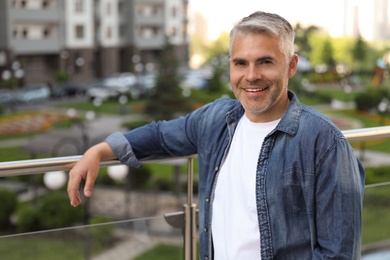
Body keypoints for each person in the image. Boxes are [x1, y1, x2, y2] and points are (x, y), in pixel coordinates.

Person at [67, 11, 365, 259]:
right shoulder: (216, 119)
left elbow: (338, 253)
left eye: (265, 61)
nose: (251, 76)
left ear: (291, 65)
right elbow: (159, 135)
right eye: (240, 63)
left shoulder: (324, 142)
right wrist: (101, 151)